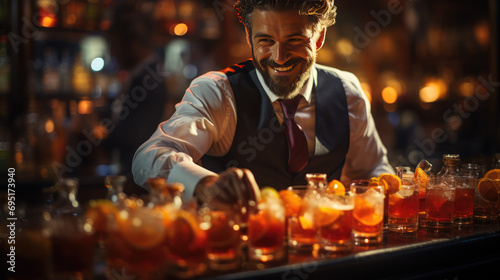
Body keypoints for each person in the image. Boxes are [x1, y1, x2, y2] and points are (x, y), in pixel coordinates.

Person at [132, 0, 394, 208]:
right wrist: (206, 185)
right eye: (266, 41)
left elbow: (374, 169)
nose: (279, 58)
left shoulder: (347, 91)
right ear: (248, 35)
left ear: (319, 36)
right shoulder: (217, 92)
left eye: (294, 40)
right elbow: (149, 157)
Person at [103, 2, 170, 176]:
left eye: (114, 45)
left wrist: (99, 136)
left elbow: (133, 139)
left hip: (138, 177)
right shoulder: (144, 75)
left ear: (132, 44)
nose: (113, 52)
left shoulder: (148, 80)